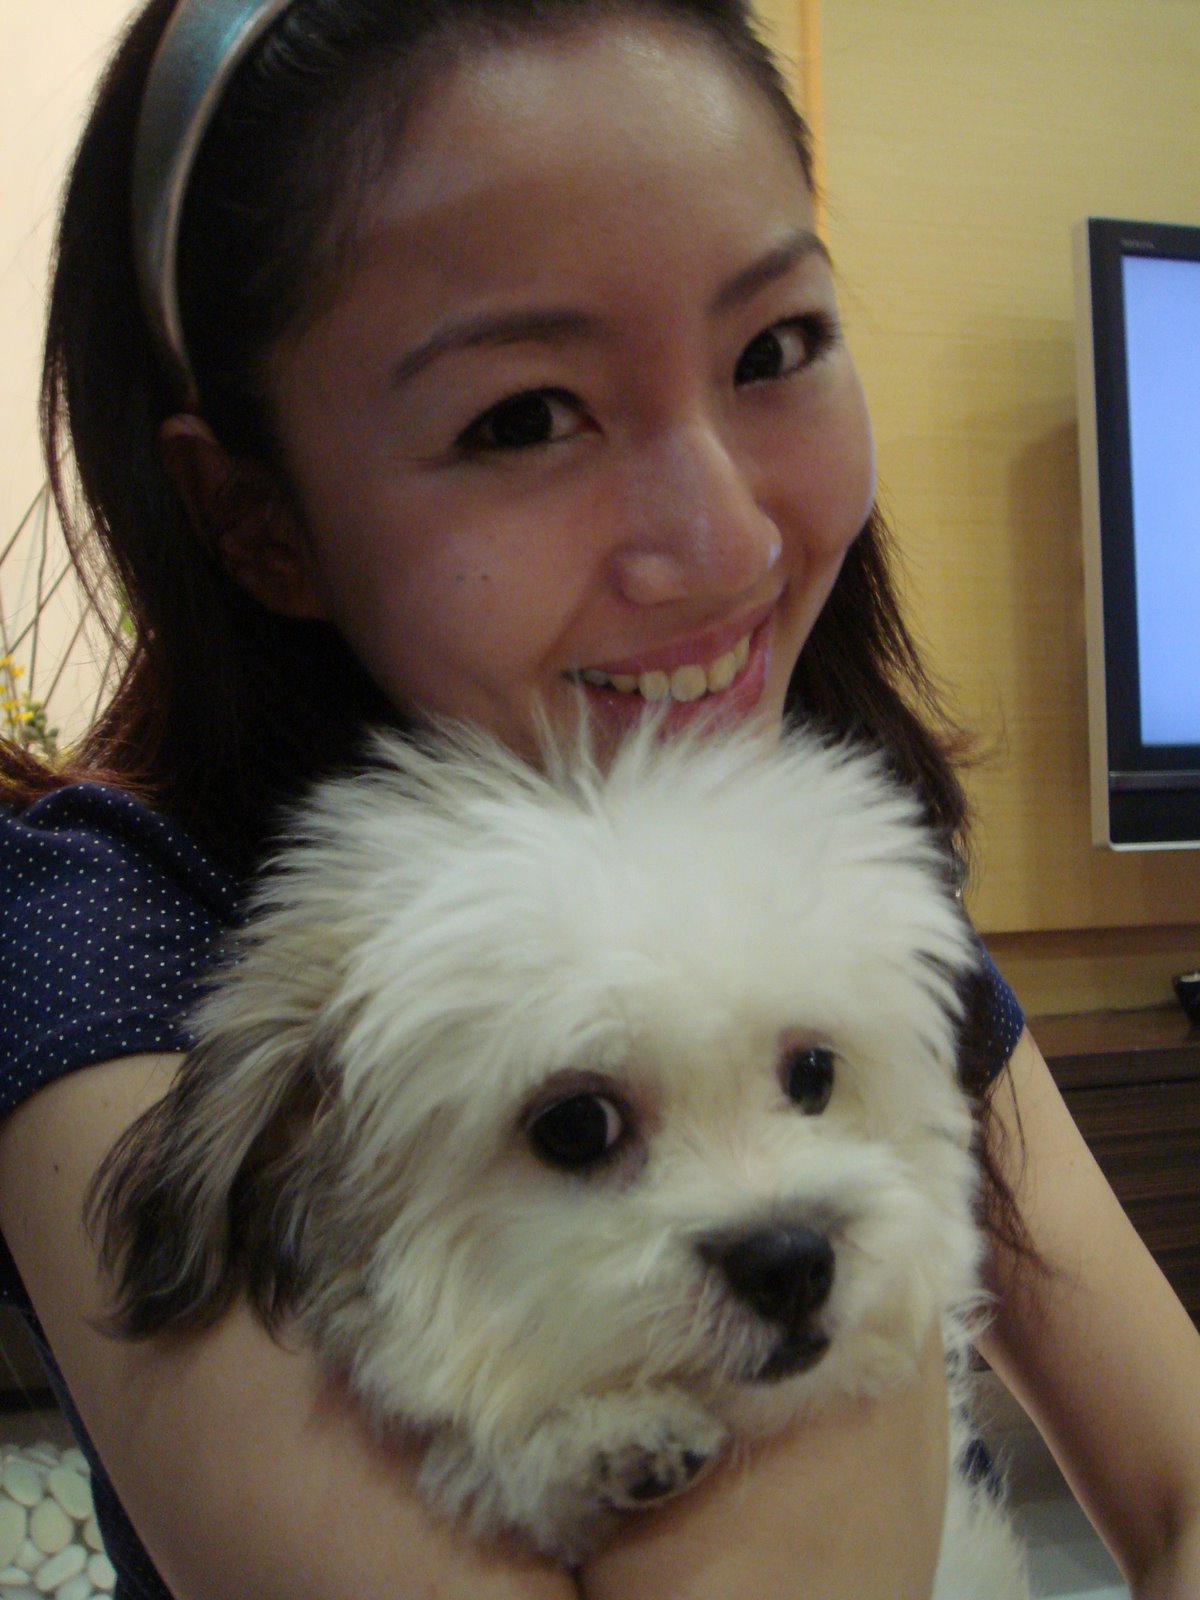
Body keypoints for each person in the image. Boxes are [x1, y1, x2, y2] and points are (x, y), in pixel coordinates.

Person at [0, 1, 1197, 1595]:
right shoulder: (101, 944)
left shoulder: (827, 865)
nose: (728, 543)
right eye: (523, 418)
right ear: (253, 515)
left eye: (774, 348)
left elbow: (1181, 1483)